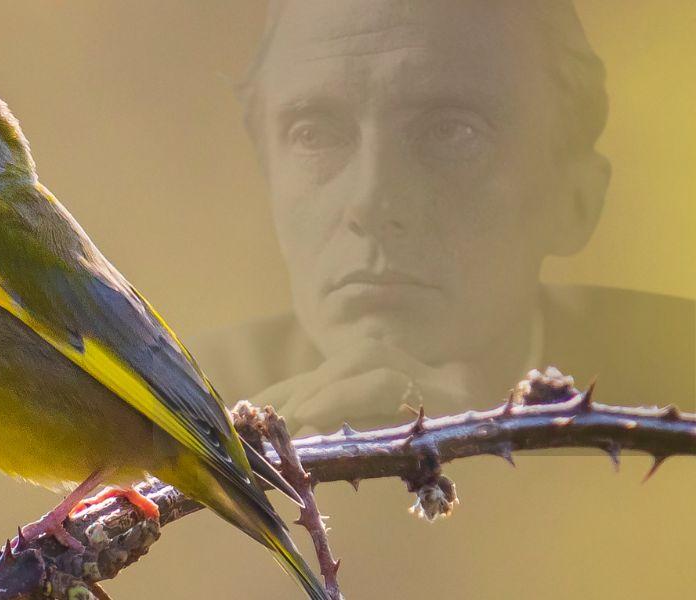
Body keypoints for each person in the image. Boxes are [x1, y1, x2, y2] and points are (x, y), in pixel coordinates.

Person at [202, 0, 694, 434]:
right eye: (314, 134)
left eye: (452, 131)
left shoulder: (678, 383)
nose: (372, 203)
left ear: (576, 200)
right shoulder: (173, 411)